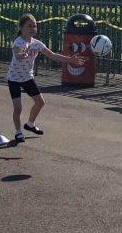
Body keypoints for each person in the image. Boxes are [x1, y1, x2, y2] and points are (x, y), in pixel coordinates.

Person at [6, 13, 84, 142]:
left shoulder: (37, 44)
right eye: (29, 26)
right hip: (14, 78)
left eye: (35, 26)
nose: (33, 29)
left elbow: (53, 55)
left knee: (40, 102)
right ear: (21, 28)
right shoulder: (18, 42)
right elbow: (17, 53)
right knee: (18, 108)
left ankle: (30, 124)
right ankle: (18, 132)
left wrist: (70, 59)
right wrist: (21, 55)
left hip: (27, 78)